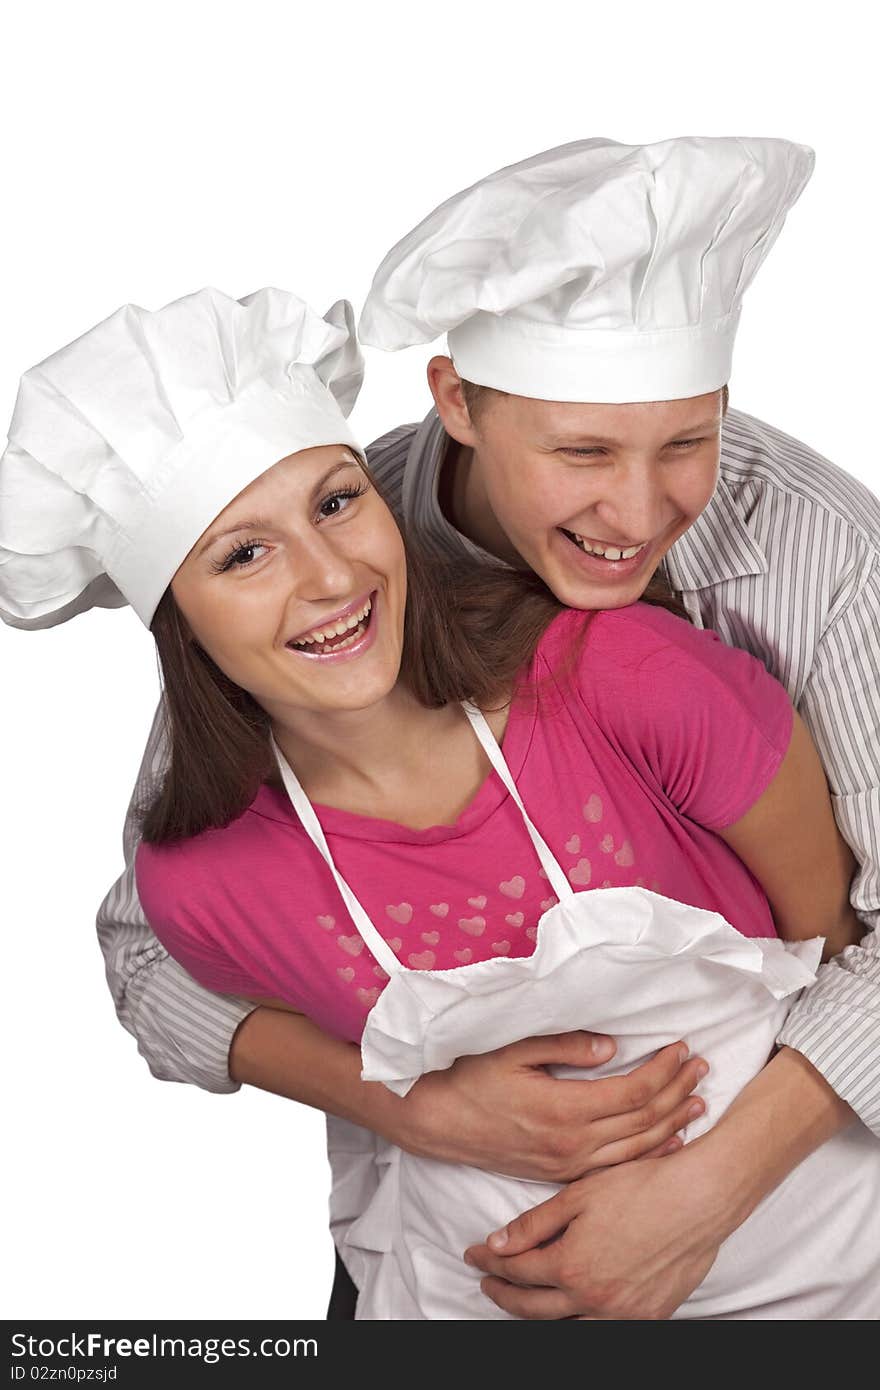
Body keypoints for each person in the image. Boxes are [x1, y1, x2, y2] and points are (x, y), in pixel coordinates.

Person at [98, 138, 879, 1320]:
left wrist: (699, 1195)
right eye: (579, 452)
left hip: (789, 1229)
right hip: (459, 1257)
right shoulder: (326, 547)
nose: (635, 509)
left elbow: (835, 932)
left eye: (687, 442)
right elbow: (150, 951)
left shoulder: (828, 561)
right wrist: (415, 1105)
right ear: (455, 400)